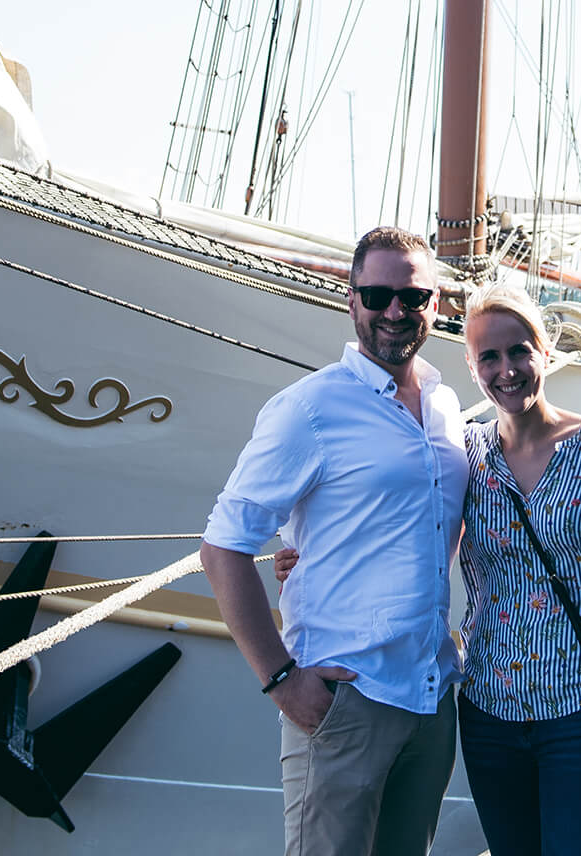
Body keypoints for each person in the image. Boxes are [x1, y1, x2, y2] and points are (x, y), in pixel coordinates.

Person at [279, 284, 581, 856]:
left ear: (545, 353)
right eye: (489, 358)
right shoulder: (465, 453)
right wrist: (315, 558)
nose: (507, 370)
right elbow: (411, 539)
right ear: (472, 367)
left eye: (519, 351)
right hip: (489, 711)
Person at [201, 226, 468, 856]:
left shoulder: (446, 405)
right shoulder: (310, 409)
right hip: (348, 698)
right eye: (377, 295)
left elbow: (436, 528)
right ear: (350, 301)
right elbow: (223, 546)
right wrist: (280, 680)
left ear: (435, 303)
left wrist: (320, 556)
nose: (395, 311)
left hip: (431, 698)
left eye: (412, 296)